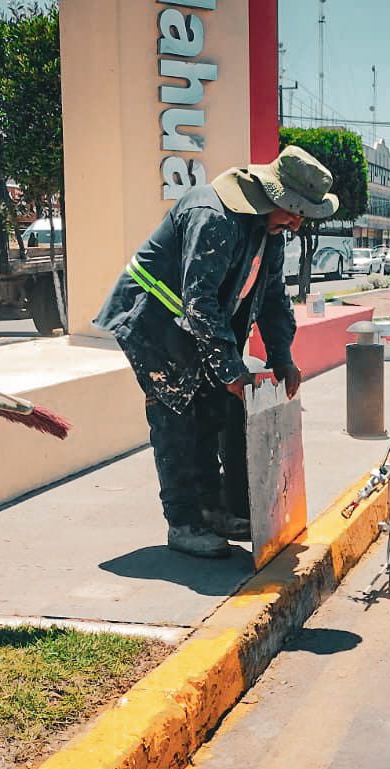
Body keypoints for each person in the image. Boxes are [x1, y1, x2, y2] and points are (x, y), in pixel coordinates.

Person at [95, 146, 334, 559]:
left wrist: (282, 356)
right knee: (176, 420)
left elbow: (273, 297)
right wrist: (230, 369)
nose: (296, 221)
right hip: (155, 323)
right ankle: (184, 523)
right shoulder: (213, 216)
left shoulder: (269, 231)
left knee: (210, 412)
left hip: (194, 329)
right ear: (272, 194)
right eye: (293, 209)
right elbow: (199, 301)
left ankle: (210, 509)